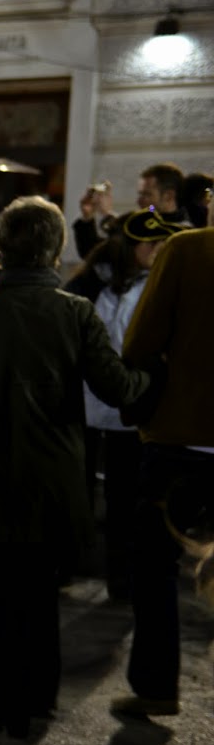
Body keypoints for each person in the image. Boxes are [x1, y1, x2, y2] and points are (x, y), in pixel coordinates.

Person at [0, 196, 150, 739]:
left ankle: (10, 709)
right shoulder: (75, 313)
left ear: (2, 249)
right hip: (55, 481)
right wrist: (156, 374)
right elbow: (119, 388)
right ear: (55, 250)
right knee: (40, 593)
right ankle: (41, 698)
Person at [118, 208, 214, 718]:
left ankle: (156, 686)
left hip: (182, 437)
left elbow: (140, 340)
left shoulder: (188, 248)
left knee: (155, 565)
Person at [75, 210, 188, 600]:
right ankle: (67, 566)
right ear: (130, 246)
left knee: (124, 500)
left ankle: (120, 578)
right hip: (86, 408)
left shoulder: (157, 284)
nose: (158, 250)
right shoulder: (91, 284)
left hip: (132, 412)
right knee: (77, 492)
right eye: (151, 243)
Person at [72, 180, 114, 259]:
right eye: (97, 195)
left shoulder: (116, 221)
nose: (99, 199)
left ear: (110, 199)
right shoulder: (81, 224)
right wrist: (87, 217)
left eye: (103, 195)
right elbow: (84, 252)